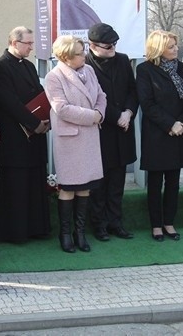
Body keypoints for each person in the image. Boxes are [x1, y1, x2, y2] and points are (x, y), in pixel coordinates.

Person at [44, 35, 106, 253]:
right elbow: (61, 108)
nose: (84, 56)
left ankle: (80, 233)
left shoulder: (88, 71)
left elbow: (101, 95)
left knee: (85, 186)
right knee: (69, 186)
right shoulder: (54, 77)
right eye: (79, 53)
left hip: (89, 135)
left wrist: (99, 112)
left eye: (83, 51)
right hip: (70, 138)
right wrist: (93, 116)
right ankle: (65, 233)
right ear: (66, 57)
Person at [0, 26, 51, 243]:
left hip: (36, 133)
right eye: (28, 43)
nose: (31, 47)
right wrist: (34, 123)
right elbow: (8, 101)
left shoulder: (28, 65)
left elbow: (38, 94)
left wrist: (46, 119)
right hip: (15, 134)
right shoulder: (0, 66)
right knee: (16, 184)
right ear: (15, 43)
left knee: (35, 180)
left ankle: (36, 227)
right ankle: (15, 231)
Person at [136, 30, 183, 242]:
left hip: (179, 133)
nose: (176, 49)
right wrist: (170, 124)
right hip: (157, 134)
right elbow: (147, 103)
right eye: (171, 47)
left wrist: (181, 123)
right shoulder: (145, 70)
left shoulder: (181, 67)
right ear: (159, 49)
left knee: (173, 181)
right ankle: (156, 225)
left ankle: (169, 222)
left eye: (176, 45)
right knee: (155, 181)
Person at [85, 23, 138, 241]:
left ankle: (116, 222)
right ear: (93, 46)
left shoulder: (123, 60)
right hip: (101, 131)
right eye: (108, 45)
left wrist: (128, 112)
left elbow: (132, 91)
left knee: (118, 181)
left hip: (123, 130)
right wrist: (118, 116)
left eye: (115, 43)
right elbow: (92, 98)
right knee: (99, 183)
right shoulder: (85, 65)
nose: (113, 48)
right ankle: (99, 225)